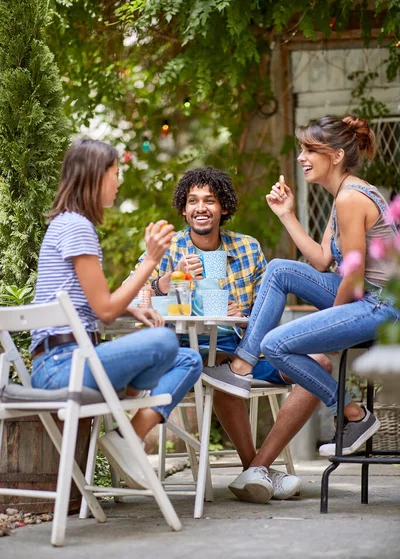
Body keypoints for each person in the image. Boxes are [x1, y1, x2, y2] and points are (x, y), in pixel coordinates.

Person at [203, 115, 400, 472]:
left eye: (310, 149)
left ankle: (353, 414)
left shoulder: (351, 199)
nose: (301, 157)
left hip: (380, 304)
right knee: (280, 269)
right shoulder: (342, 193)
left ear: (336, 155)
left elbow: (353, 278)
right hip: (364, 296)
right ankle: (243, 366)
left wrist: (330, 331)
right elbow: (323, 261)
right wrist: (287, 215)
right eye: (302, 149)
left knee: (276, 344)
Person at [136, 166, 332, 503]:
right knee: (223, 364)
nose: (201, 207)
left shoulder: (246, 248)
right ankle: (254, 469)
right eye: (193, 201)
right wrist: (166, 281)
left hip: (243, 348)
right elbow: (135, 294)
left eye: (209, 200)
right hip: (190, 349)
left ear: (222, 207)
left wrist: (242, 313)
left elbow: (266, 307)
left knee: (321, 363)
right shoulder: (169, 247)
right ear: (183, 209)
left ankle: (258, 466)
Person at [30, 138, 203, 490]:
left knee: (189, 359)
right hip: (63, 366)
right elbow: (104, 311)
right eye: (115, 172)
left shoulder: (68, 224)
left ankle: (127, 436)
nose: (119, 180)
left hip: (66, 362)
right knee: (164, 340)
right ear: (95, 177)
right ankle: (129, 388)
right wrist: (152, 259)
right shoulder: (77, 226)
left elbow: (88, 298)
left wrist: (132, 306)